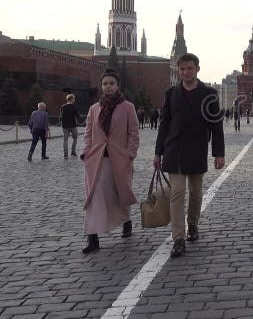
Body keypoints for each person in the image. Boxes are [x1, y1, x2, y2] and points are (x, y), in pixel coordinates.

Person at [154, 53, 225, 258]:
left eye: (189, 69)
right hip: (174, 149)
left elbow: (216, 125)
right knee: (177, 193)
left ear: (197, 69)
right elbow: (164, 124)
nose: (186, 72)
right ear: (179, 71)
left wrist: (218, 154)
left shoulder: (209, 93)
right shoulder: (170, 93)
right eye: (182, 69)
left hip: (197, 149)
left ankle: (192, 223)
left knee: (195, 192)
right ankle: (178, 238)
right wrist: (158, 152)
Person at [79, 69, 139, 253]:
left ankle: (126, 221)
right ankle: (92, 238)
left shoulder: (128, 107)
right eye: (105, 83)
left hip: (119, 160)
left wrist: (130, 153)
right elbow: (88, 133)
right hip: (96, 160)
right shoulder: (94, 109)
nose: (108, 87)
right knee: (94, 197)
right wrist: (85, 152)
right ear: (101, 86)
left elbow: (133, 132)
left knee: (119, 194)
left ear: (117, 85)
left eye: (111, 83)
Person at [60, 94, 80, 159]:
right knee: (75, 138)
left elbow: (60, 117)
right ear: (72, 99)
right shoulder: (74, 107)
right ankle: (73, 152)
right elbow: (78, 116)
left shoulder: (63, 107)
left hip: (64, 126)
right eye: (74, 99)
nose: (74, 100)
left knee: (65, 140)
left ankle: (65, 155)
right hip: (73, 125)